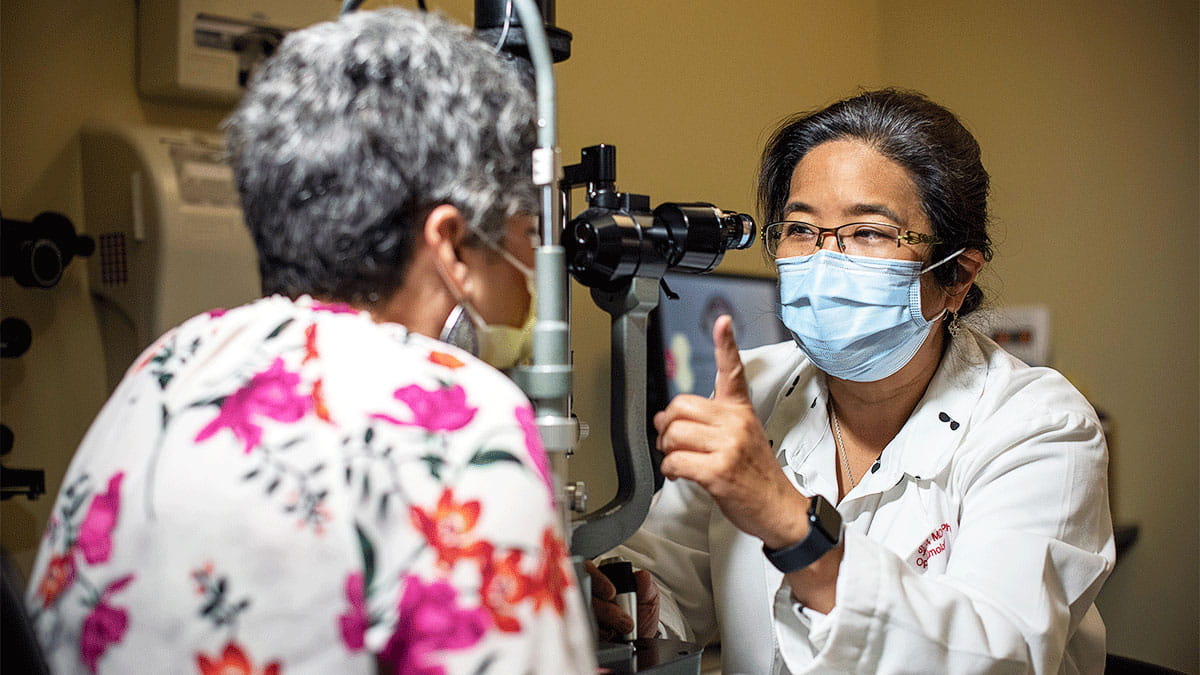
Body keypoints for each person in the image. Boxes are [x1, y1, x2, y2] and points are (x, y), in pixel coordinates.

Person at [25, 9, 595, 674]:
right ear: (452, 245)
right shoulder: (457, 414)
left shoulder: (165, 366)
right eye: (526, 235)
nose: (533, 278)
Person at [598, 89, 1114, 673]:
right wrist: (612, 598)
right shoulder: (758, 385)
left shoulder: (1039, 426)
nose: (822, 261)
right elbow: (668, 581)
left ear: (955, 277)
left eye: (869, 232)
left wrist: (790, 523)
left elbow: (1000, 655)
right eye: (800, 228)